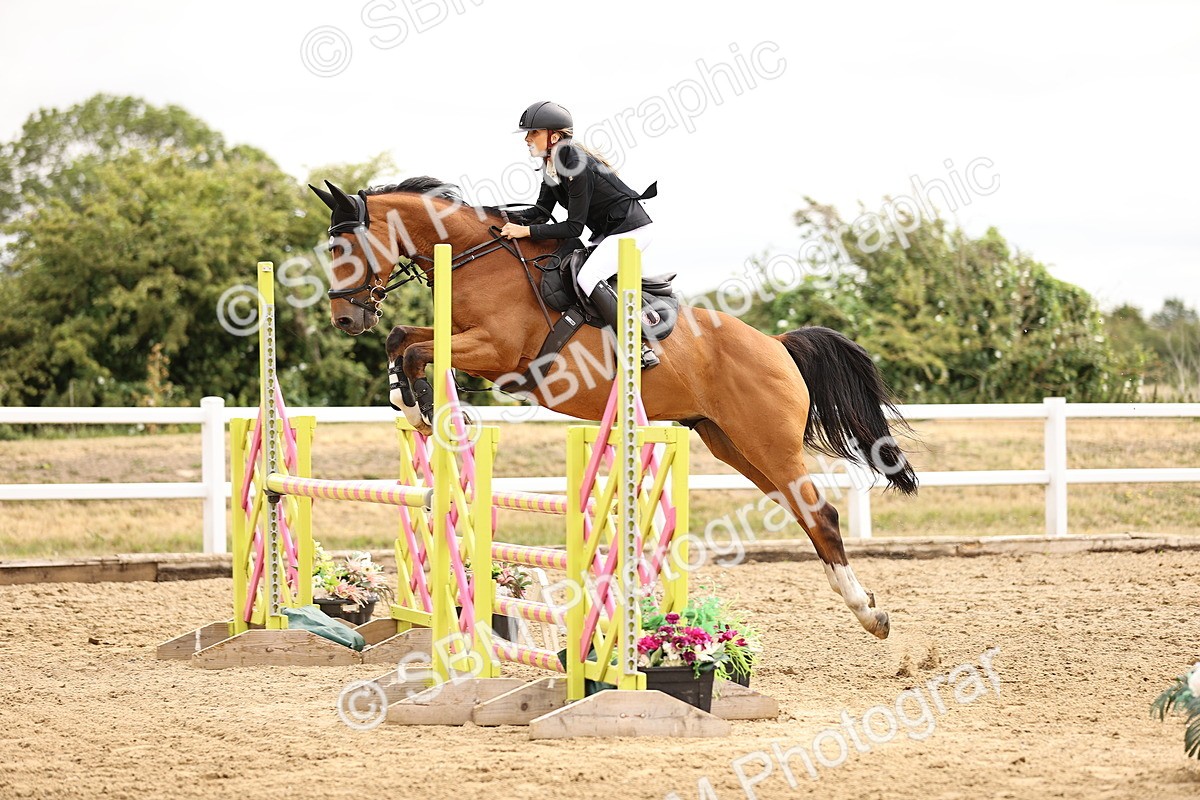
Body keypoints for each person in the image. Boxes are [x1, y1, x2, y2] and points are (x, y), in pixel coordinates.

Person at [500, 100, 660, 369]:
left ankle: (637, 346)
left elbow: (574, 228)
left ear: (554, 136)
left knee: (587, 276)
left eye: (533, 132)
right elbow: (540, 211)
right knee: (574, 274)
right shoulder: (553, 163)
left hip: (631, 230)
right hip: (609, 232)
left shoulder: (574, 163)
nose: (527, 139)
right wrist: (497, 217)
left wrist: (525, 231)